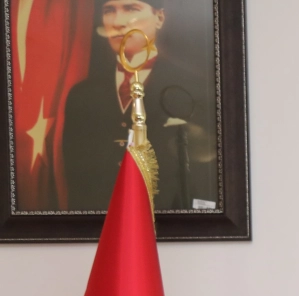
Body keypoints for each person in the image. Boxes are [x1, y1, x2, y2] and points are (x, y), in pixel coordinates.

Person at [61, 0, 216, 211]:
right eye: (109, 11)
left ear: (159, 18)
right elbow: (76, 182)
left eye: (131, 9)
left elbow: (204, 178)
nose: (117, 22)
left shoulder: (195, 88)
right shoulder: (82, 95)